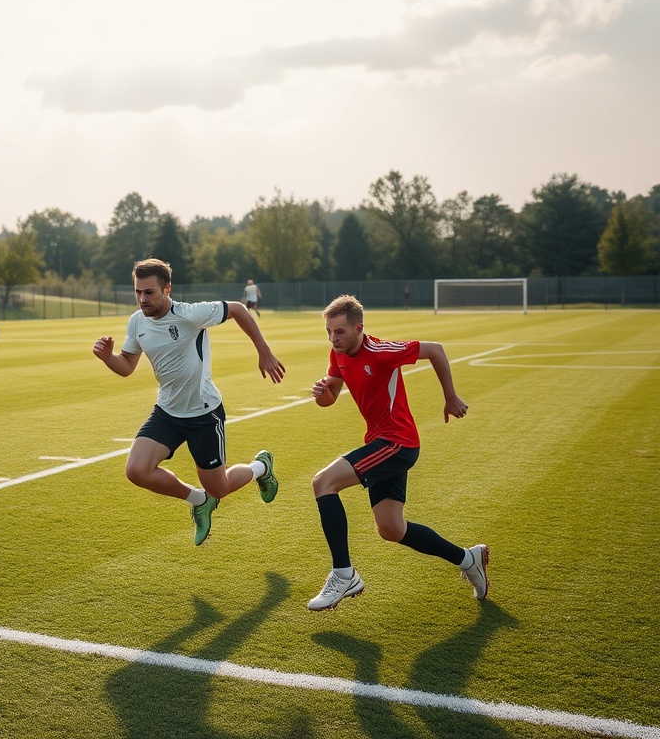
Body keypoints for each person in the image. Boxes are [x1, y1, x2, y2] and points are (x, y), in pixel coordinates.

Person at [306, 294, 487, 611]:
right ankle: (467, 558)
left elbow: (435, 350)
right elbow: (331, 395)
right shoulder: (339, 355)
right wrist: (322, 393)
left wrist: (450, 396)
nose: (333, 339)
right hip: (382, 443)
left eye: (339, 332)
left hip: (397, 442)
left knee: (323, 483)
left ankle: (344, 574)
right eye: (329, 332)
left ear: (359, 328)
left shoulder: (380, 352)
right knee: (391, 528)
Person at [93, 258, 286, 546]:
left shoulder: (190, 314)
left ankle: (261, 468)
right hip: (167, 412)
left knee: (219, 487)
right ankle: (198, 500)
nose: (142, 299)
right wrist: (108, 357)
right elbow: (127, 366)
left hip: (203, 414)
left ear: (167, 288)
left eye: (149, 292)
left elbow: (237, 308)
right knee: (136, 470)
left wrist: (264, 352)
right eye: (138, 292)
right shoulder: (136, 322)